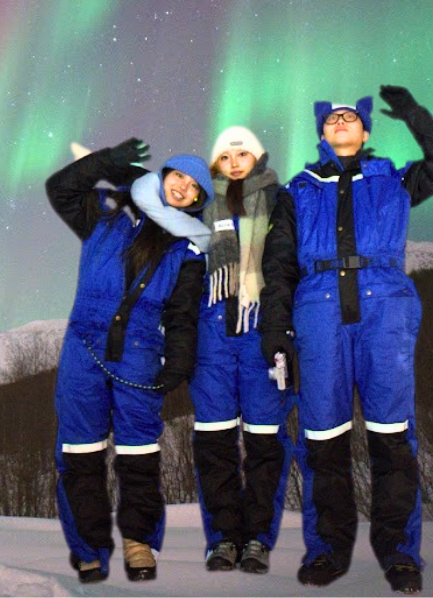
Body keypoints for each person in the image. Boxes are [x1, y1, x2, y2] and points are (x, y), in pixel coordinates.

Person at [260, 86, 433, 594]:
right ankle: (327, 549)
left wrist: (416, 115)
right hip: (319, 313)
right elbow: (279, 264)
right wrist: (276, 328)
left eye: (351, 118)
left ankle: (399, 552)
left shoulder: (393, 179)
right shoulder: (297, 191)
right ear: (322, 133)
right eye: (333, 120)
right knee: (323, 441)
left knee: (391, 436)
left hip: (385, 310)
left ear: (366, 131)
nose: (342, 124)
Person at [45, 137, 214, 584]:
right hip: (82, 347)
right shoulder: (108, 212)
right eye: (177, 175)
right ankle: (89, 548)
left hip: (139, 355)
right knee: (80, 452)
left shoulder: (188, 250)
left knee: (139, 453)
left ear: (198, 200)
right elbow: (60, 189)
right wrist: (105, 162)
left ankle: (140, 541)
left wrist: (179, 361)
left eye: (193, 186)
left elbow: (182, 316)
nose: (182, 187)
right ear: (161, 177)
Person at [189, 126, 293, 575]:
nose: (234, 161)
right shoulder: (196, 204)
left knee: (265, 441)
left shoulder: (277, 200)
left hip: (259, 326)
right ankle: (223, 538)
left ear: (257, 158)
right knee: (214, 444)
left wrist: (281, 328)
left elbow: (285, 260)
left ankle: (256, 538)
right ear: (215, 163)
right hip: (210, 332)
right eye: (225, 156)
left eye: (242, 153)